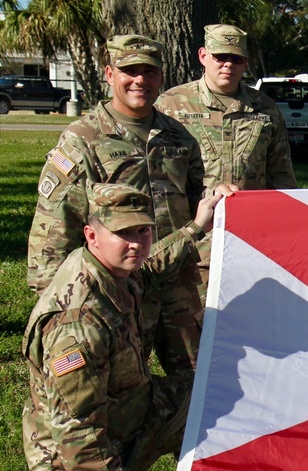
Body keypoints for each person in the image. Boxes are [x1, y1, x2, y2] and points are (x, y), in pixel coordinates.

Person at [0, 183, 223, 471]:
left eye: (144, 231)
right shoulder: (77, 325)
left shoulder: (112, 268)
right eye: (124, 234)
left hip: (132, 411)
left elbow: (150, 267)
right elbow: (77, 436)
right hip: (77, 466)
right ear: (91, 235)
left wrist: (196, 226)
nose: (137, 244)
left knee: (213, 399)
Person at [27, 34, 223, 380]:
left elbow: (196, 200)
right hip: (115, 286)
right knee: (118, 387)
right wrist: (54, 302)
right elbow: (55, 225)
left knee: (200, 381)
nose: (140, 81)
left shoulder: (178, 137)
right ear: (109, 74)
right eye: (129, 71)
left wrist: (220, 196)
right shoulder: (83, 139)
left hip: (174, 282)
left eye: (149, 72)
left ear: (161, 76)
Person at [156, 23, 296, 299]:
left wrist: (289, 231)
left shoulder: (264, 108)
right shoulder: (171, 105)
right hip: (194, 243)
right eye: (220, 57)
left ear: (246, 63)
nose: (227, 65)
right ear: (203, 56)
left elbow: (281, 173)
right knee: (190, 333)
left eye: (236, 59)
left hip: (251, 242)